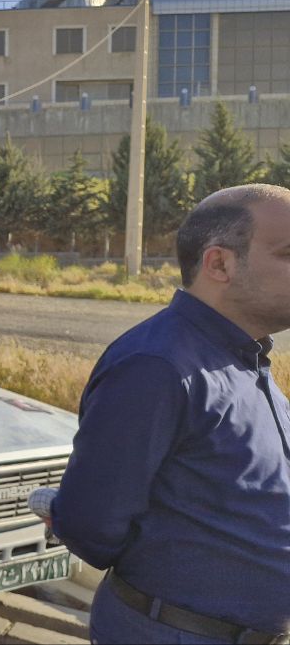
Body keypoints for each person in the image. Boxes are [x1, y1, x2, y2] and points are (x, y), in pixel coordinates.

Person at [48, 184, 290, 644]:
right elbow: (90, 525)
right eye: (288, 253)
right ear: (219, 264)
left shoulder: (244, 357)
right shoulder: (157, 366)